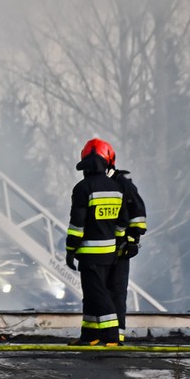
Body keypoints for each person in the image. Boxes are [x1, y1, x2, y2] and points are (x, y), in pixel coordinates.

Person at [65, 138, 128, 346]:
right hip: (110, 254)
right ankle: (90, 335)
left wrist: (70, 249)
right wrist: (119, 243)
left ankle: (111, 336)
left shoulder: (82, 188)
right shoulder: (115, 188)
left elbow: (77, 225)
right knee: (92, 296)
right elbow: (122, 223)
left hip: (89, 253)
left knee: (97, 294)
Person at [106, 152, 147, 344]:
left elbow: (138, 215)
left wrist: (132, 240)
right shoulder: (101, 185)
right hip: (105, 248)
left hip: (120, 249)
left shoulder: (123, 185)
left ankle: (116, 334)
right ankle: (104, 333)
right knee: (102, 291)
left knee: (117, 290)